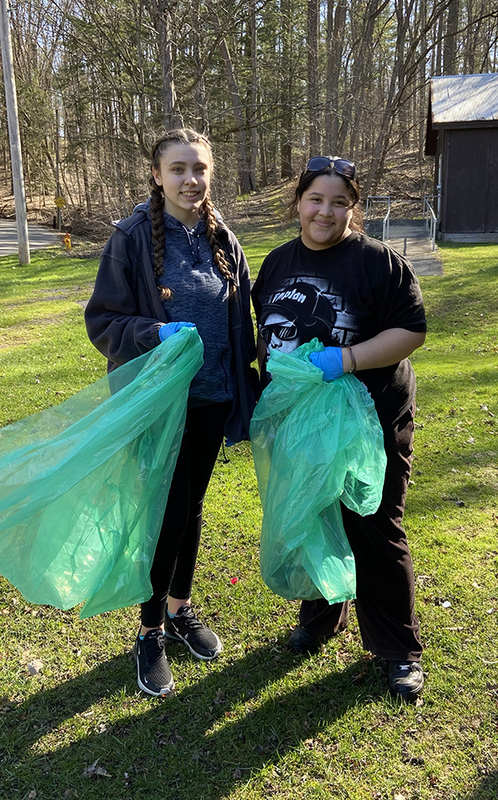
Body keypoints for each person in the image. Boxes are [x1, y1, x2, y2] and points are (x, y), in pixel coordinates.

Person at [85, 128, 256, 697]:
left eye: (200, 169)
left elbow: (241, 325)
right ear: (157, 176)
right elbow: (103, 321)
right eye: (178, 169)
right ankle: (150, 630)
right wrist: (155, 331)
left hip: (212, 398)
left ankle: (180, 609)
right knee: (167, 511)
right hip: (158, 405)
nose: (191, 180)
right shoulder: (130, 238)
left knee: (193, 504)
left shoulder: (224, 240)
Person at [251, 156, 427, 701]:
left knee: (375, 526)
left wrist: (346, 360)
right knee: (313, 516)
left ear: (355, 208)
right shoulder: (278, 263)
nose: (325, 212)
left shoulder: (379, 263)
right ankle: (324, 615)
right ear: (298, 203)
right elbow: (264, 334)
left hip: (370, 421)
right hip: (302, 426)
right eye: (315, 200)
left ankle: (398, 649)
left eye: (339, 202)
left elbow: (411, 331)